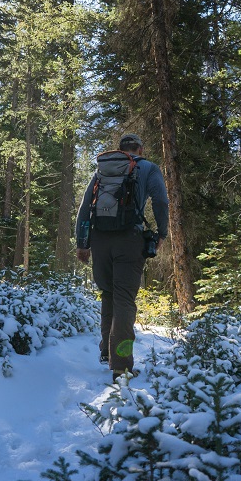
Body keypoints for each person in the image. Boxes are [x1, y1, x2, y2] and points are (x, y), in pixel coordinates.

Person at [75, 132, 169, 382]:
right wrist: (162, 232)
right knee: (125, 300)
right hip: (129, 239)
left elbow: (85, 209)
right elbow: (160, 200)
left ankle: (107, 353)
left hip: (99, 239)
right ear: (139, 148)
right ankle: (122, 365)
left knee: (108, 294)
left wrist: (82, 244)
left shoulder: (102, 171)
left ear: (121, 150)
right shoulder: (147, 167)